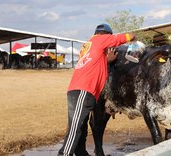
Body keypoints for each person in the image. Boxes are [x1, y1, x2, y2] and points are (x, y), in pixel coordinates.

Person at [57, 23, 135, 156]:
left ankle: (81, 153)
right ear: (106, 35)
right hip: (84, 90)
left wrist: (107, 60)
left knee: (80, 127)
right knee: (75, 128)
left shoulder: (87, 46)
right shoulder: (100, 38)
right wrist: (133, 37)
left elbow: (95, 65)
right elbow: (121, 38)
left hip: (77, 90)